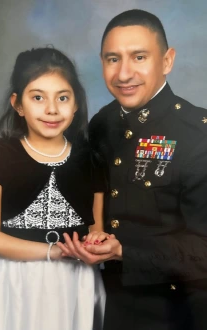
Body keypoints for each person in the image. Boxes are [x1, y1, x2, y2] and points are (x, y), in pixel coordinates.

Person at [58, 9, 207, 330]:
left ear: (167, 61)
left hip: (176, 312)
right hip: (104, 303)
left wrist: (124, 249)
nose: (124, 74)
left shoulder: (199, 134)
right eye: (112, 59)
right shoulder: (103, 123)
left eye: (139, 57)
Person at [0, 47, 106, 330]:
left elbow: (96, 229)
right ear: (18, 104)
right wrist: (53, 251)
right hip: (14, 281)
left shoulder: (91, 158)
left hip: (76, 280)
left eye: (63, 98)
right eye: (37, 97)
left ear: (76, 103)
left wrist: (95, 244)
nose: (52, 109)